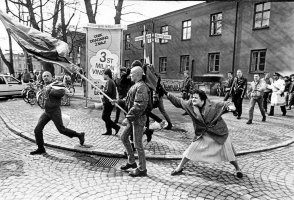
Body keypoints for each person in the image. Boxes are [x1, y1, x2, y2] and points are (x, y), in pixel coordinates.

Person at [157, 85, 243, 178]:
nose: (193, 99)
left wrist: (231, 107)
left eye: (195, 98)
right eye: (192, 97)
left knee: (228, 153)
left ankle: (238, 168)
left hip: (219, 133)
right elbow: (178, 102)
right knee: (191, 150)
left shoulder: (213, 105)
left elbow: (227, 103)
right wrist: (166, 93)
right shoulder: (190, 105)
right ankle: (179, 168)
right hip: (202, 133)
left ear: (202, 99)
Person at [30, 71, 85, 155]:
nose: (46, 77)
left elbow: (62, 92)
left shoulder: (56, 84)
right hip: (47, 112)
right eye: (44, 76)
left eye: (48, 76)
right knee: (37, 129)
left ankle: (79, 135)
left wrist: (50, 91)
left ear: (52, 77)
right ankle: (41, 148)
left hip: (55, 111)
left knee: (62, 130)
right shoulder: (45, 85)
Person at [120, 66, 149, 177]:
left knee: (138, 144)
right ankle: (131, 161)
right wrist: (117, 101)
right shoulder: (136, 86)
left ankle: (142, 169)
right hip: (133, 119)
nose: (130, 75)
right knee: (123, 137)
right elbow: (129, 101)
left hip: (138, 119)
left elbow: (139, 105)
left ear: (137, 74)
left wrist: (128, 117)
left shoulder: (141, 87)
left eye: (131, 74)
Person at [101, 68, 120, 135]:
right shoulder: (110, 81)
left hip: (109, 102)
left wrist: (102, 91)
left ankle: (116, 127)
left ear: (107, 75)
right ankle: (109, 131)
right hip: (109, 102)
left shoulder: (109, 81)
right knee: (107, 117)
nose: (103, 76)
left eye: (103, 74)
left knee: (104, 117)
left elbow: (109, 91)